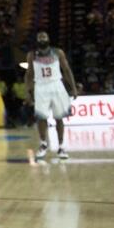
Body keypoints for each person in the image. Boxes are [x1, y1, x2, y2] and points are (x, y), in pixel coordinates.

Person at [26, 31, 78, 160]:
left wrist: (73, 87)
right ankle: (43, 144)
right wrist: (28, 91)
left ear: (48, 38)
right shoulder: (32, 55)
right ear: (37, 40)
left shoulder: (58, 52)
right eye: (39, 37)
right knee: (41, 117)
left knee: (59, 117)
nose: (42, 38)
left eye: (44, 36)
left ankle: (61, 147)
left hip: (56, 85)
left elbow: (66, 70)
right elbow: (29, 74)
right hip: (41, 87)